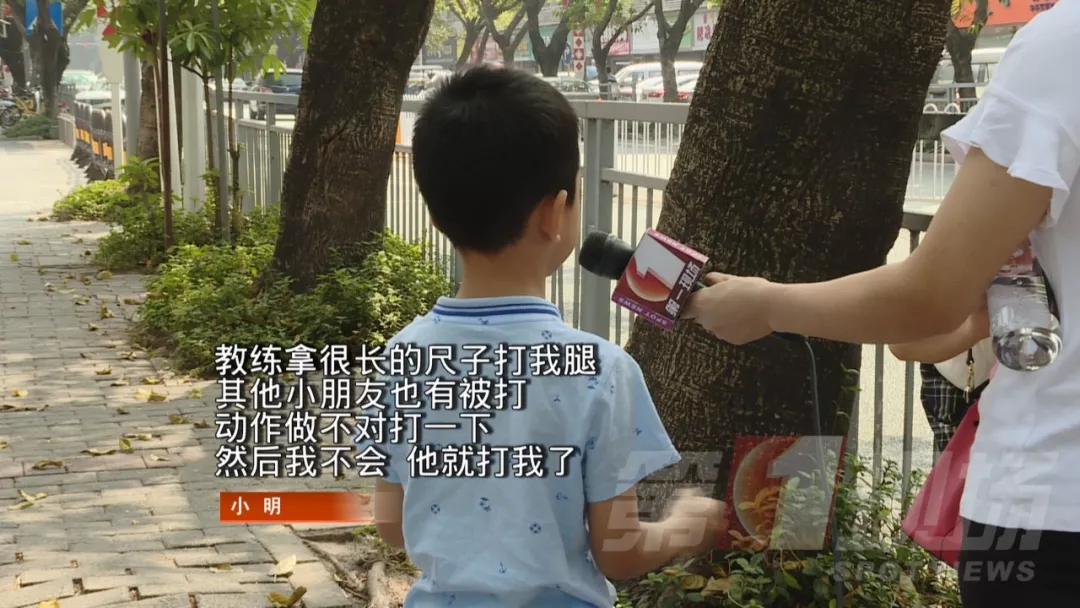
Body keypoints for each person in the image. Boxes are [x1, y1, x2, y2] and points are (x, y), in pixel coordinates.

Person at [682, 1, 1079, 605]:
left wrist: (765, 306)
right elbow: (929, 324)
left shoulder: (1064, 45)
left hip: (1053, 504)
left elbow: (928, 298)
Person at [358, 66, 726, 608]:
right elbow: (619, 553)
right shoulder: (602, 371)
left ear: (436, 216)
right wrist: (686, 525)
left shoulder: (401, 357)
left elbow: (392, 526)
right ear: (554, 213)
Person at [890, 304, 993, 456]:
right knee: (959, 462)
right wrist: (976, 328)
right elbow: (900, 345)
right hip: (950, 372)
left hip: (1001, 372)